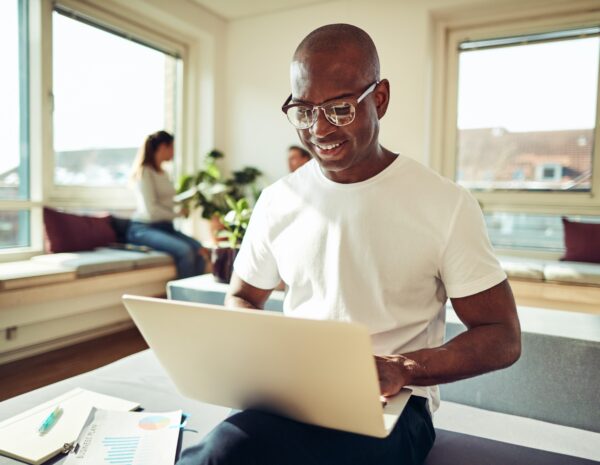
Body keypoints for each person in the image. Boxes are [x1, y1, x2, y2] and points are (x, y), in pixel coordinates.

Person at [177, 24, 521, 465]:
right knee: (221, 452)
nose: (319, 129)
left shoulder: (445, 204)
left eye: (339, 109)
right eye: (303, 110)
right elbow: (243, 295)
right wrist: (266, 361)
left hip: (397, 404)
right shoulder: (278, 200)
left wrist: (404, 368)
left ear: (379, 99)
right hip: (294, 391)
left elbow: (502, 336)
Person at [127, 130, 206, 279]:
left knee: (199, 249)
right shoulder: (144, 173)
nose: (174, 152)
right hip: (143, 229)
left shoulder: (164, 173)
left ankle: (195, 296)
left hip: (165, 227)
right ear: (164, 147)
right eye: (172, 147)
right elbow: (151, 210)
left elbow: (167, 201)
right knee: (185, 251)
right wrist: (178, 214)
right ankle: (183, 299)